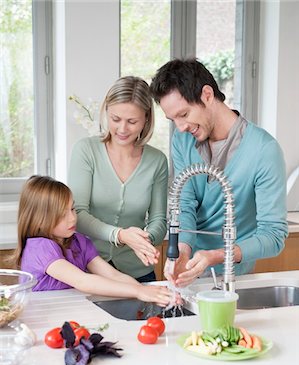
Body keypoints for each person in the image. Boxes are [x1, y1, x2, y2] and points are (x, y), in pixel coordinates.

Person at [150, 58, 288, 287]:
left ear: (207, 94)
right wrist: (183, 249)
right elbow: (184, 203)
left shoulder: (264, 150)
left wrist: (214, 255)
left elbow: (273, 236)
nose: (181, 127)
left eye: (184, 114)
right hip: (189, 275)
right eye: (173, 119)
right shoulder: (182, 140)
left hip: (234, 277)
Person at [12, 175, 174, 307]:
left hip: (70, 314)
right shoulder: (39, 247)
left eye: (73, 209)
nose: (72, 218)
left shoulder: (78, 241)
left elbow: (112, 275)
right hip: (44, 319)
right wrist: (139, 292)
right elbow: (83, 280)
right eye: (62, 215)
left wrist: (148, 292)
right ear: (39, 219)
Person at [68, 76, 168, 283]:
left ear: (146, 119)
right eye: (115, 119)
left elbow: (159, 220)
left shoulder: (157, 161)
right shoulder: (86, 151)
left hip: (140, 272)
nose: (122, 129)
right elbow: (77, 213)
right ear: (106, 112)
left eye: (132, 121)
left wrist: (143, 241)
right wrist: (121, 235)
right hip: (89, 269)